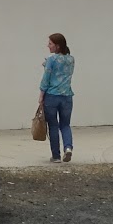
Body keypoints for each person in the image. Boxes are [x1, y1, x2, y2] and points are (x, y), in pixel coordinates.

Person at [38, 33, 75, 162]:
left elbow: (46, 79)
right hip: (67, 96)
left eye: (50, 44)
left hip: (52, 96)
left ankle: (56, 156)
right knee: (65, 125)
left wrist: (41, 95)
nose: (48, 46)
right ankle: (68, 147)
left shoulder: (51, 59)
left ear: (57, 46)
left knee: (53, 125)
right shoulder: (71, 59)